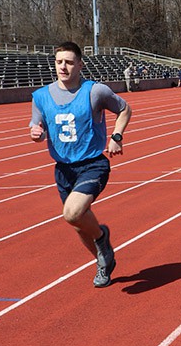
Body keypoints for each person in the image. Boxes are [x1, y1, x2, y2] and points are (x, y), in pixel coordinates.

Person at [29, 41, 132, 288]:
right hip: (63, 169)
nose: (63, 67)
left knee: (72, 213)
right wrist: (37, 132)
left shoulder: (95, 91)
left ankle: (101, 238)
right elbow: (38, 126)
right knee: (77, 223)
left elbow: (125, 109)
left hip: (92, 164)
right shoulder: (41, 96)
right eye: (59, 62)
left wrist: (116, 137)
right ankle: (103, 259)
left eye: (69, 62)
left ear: (79, 65)